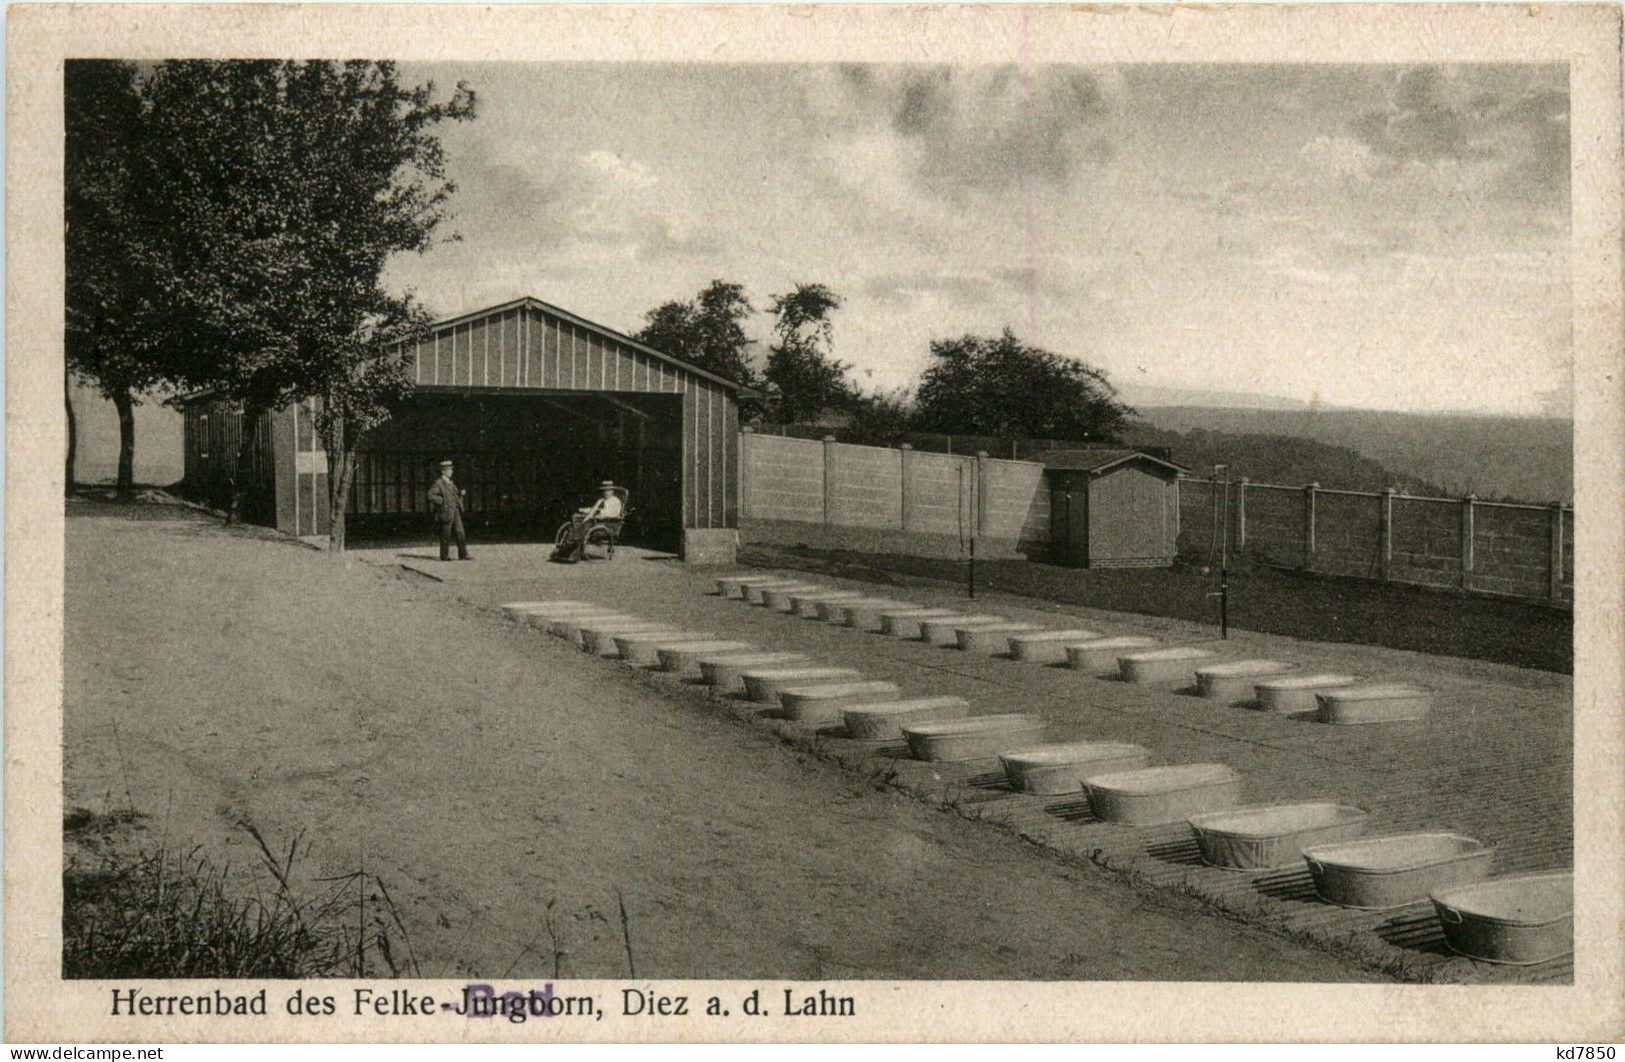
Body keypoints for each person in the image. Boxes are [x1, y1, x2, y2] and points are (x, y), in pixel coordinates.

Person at [426, 459, 470, 562]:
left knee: (460, 532)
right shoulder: (438, 483)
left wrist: (460, 494)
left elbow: (454, 496)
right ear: (443, 471)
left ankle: (463, 555)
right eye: (449, 470)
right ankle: (444, 556)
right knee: (446, 534)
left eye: (451, 469)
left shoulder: (451, 483)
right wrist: (442, 501)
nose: (451, 471)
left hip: (455, 511)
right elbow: (430, 495)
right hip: (445, 512)